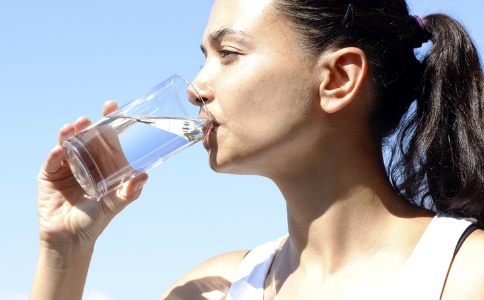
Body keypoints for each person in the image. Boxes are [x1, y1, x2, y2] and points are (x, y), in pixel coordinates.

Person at [30, 0, 484, 299]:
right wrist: (64, 250)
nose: (197, 88)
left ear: (338, 79)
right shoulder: (212, 289)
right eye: (204, 56)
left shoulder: (465, 274)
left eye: (228, 53)